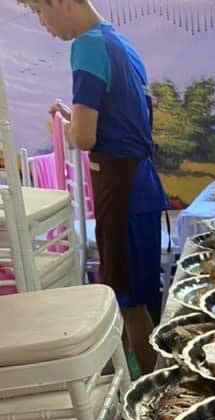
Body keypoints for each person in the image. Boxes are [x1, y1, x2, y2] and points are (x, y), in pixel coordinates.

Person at [21, 0, 167, 373]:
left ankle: (154, 402)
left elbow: (84, 138)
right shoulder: (118, 41)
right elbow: (114, 121)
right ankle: (113, 381)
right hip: (139, 186)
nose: (42, 23)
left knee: (130, 305)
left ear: (65, 3)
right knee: (126, 299)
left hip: (122, 193)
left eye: (41, 10)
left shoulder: (87, 44)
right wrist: (75, 120)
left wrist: (67, 127)